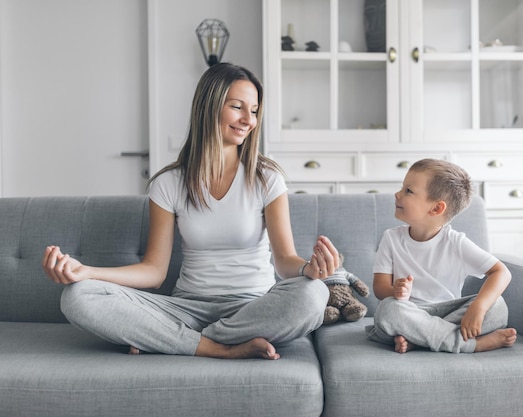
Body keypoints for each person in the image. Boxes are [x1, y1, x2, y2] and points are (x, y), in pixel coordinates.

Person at [41, 63, 338, 360]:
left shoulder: (267, 179)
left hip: (253, 307)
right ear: (209, 107)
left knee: (313, 294)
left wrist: (306, 270)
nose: (249, 120)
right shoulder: (168, 183)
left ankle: (173, 340)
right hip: (186, 309)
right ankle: (218, 348)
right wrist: (86, 273)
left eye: (255, 110)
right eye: (237, 107)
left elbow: (285, 261)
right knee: (78, 296)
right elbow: (154, 272)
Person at [366, 159, 517, 354]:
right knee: (388, 310)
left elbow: (501, 272)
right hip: (408, 312)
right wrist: (395, 292)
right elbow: (379, 288)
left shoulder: (456, 242)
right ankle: (471, 345)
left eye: (408, 191)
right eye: (402, 188)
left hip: (448, 312)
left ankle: (420, 340)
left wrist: (478, 307)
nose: (398, 194)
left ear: (436, 208)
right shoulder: (391, 238)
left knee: (497, 306)